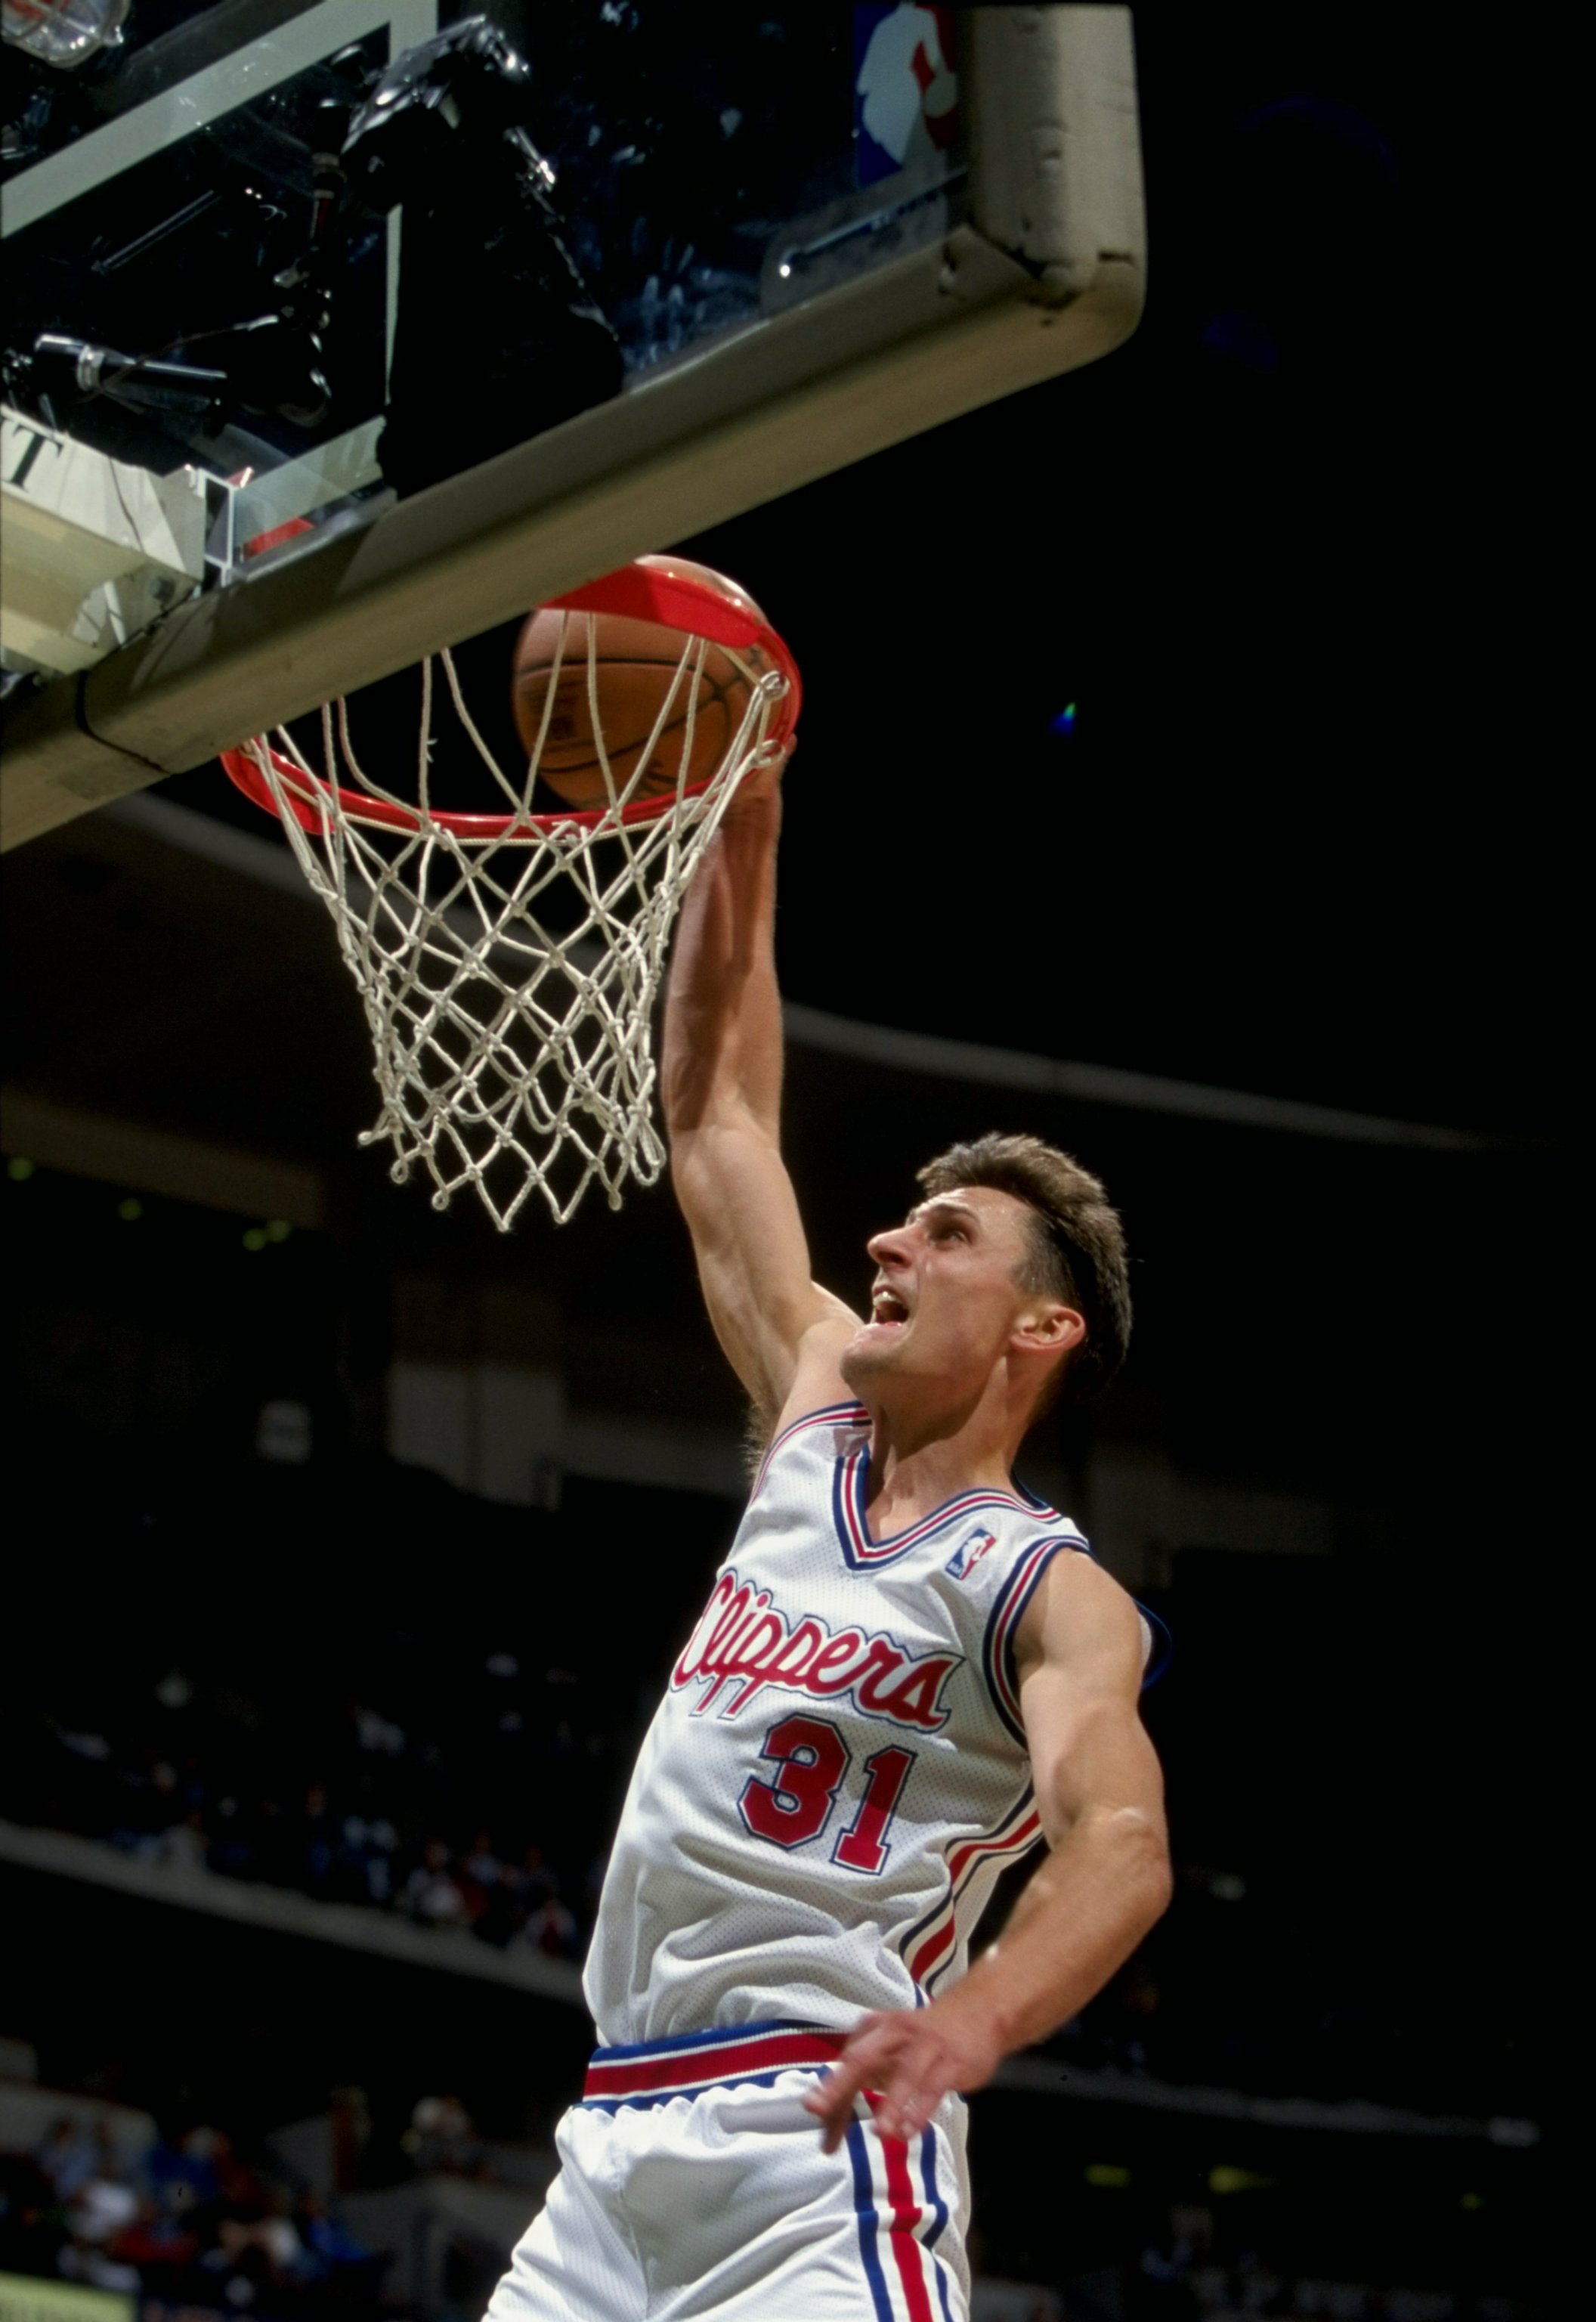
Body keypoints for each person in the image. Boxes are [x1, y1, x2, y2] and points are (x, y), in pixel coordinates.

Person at [490, 756, 1172, 2320]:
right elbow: (715, 1115)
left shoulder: (1048, 1590)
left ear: (1043, 1326)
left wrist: (977, 2021)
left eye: (948, 1236)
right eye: (902, 1223)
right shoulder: (812, 1417)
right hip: (607, 2146)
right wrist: (743, 815)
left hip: (816, 2144)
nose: (884, 1242)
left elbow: (1121, 1844)